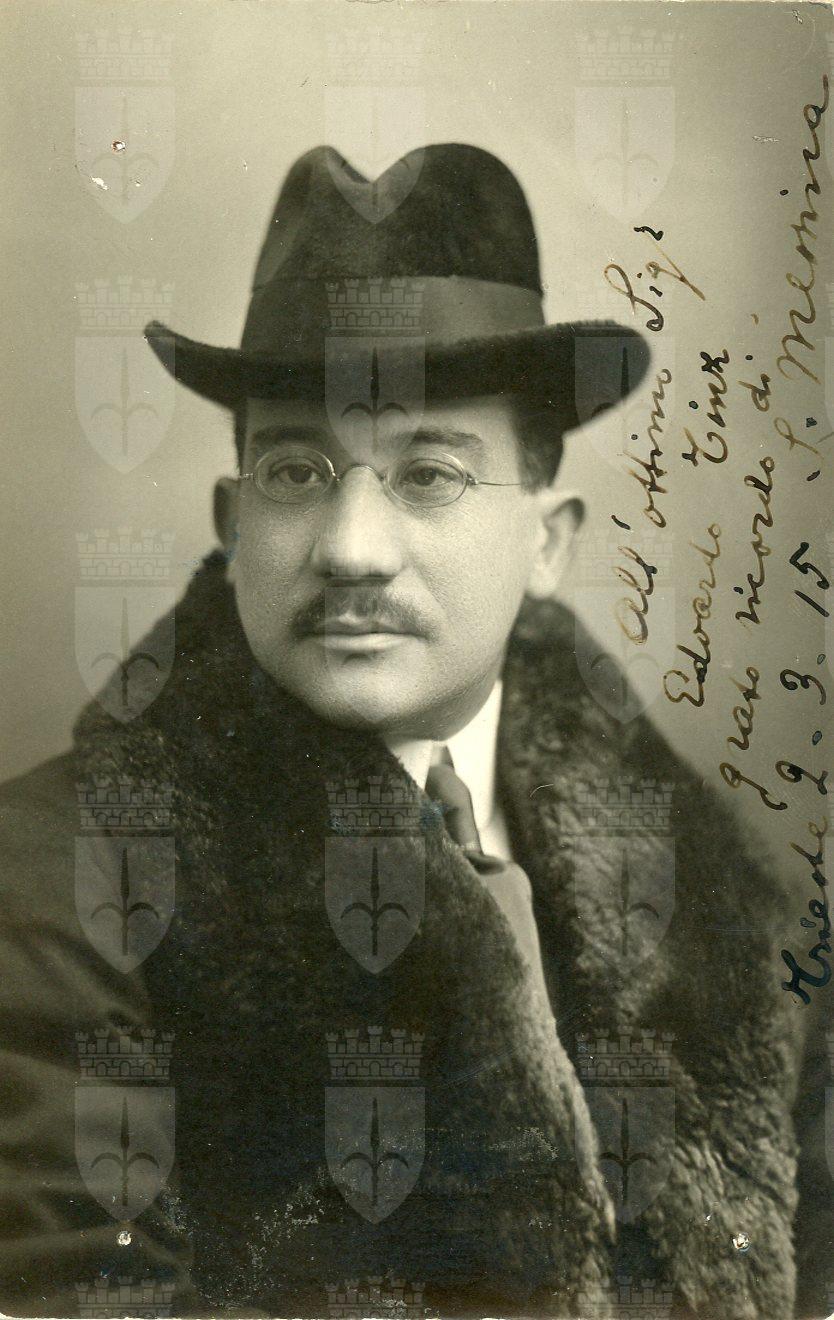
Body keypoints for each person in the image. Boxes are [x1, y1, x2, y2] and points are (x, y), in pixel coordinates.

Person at [0, 144, 829, 1320]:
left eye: (429, 475)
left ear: (548, 542)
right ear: (233, 525)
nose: (352, 548)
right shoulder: (57, 885)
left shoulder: (748, 913)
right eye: (298, 472)